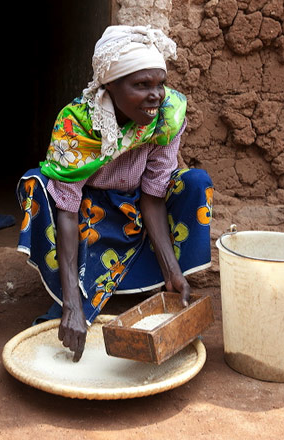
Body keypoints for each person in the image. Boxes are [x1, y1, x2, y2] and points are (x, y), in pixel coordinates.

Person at [17, 25, 213, 362]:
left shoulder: (166, 116)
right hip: (84, 212)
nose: (155, 95)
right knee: (36, 183)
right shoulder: (77, 124)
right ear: (110, 85)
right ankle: (75, 295)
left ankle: (153, 282)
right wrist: (72, 305)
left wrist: (172, 271)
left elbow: (152, 197)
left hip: (135, 209)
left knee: (195, 182)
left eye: (159, 84)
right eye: (141, 85)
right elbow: (66, 208)